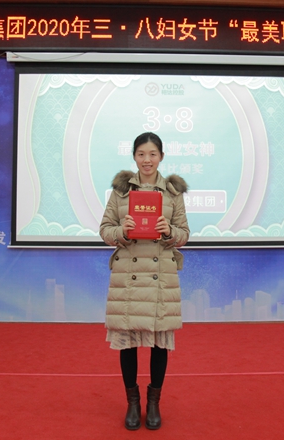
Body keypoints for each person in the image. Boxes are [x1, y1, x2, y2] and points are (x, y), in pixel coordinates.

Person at [99, 131, 189, 431]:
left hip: (160, 275)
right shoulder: (121, 191)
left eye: (152, 154)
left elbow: (184, 234)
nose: (147, 160)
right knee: (128, 343)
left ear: (161, 156)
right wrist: (121, 231)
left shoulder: (173, 192)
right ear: (134, 157)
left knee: (159, 343)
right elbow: (105, 229)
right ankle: (133, 403)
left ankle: (153, 403)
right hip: (129, 275)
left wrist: (170, 231)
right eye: (141, 154)